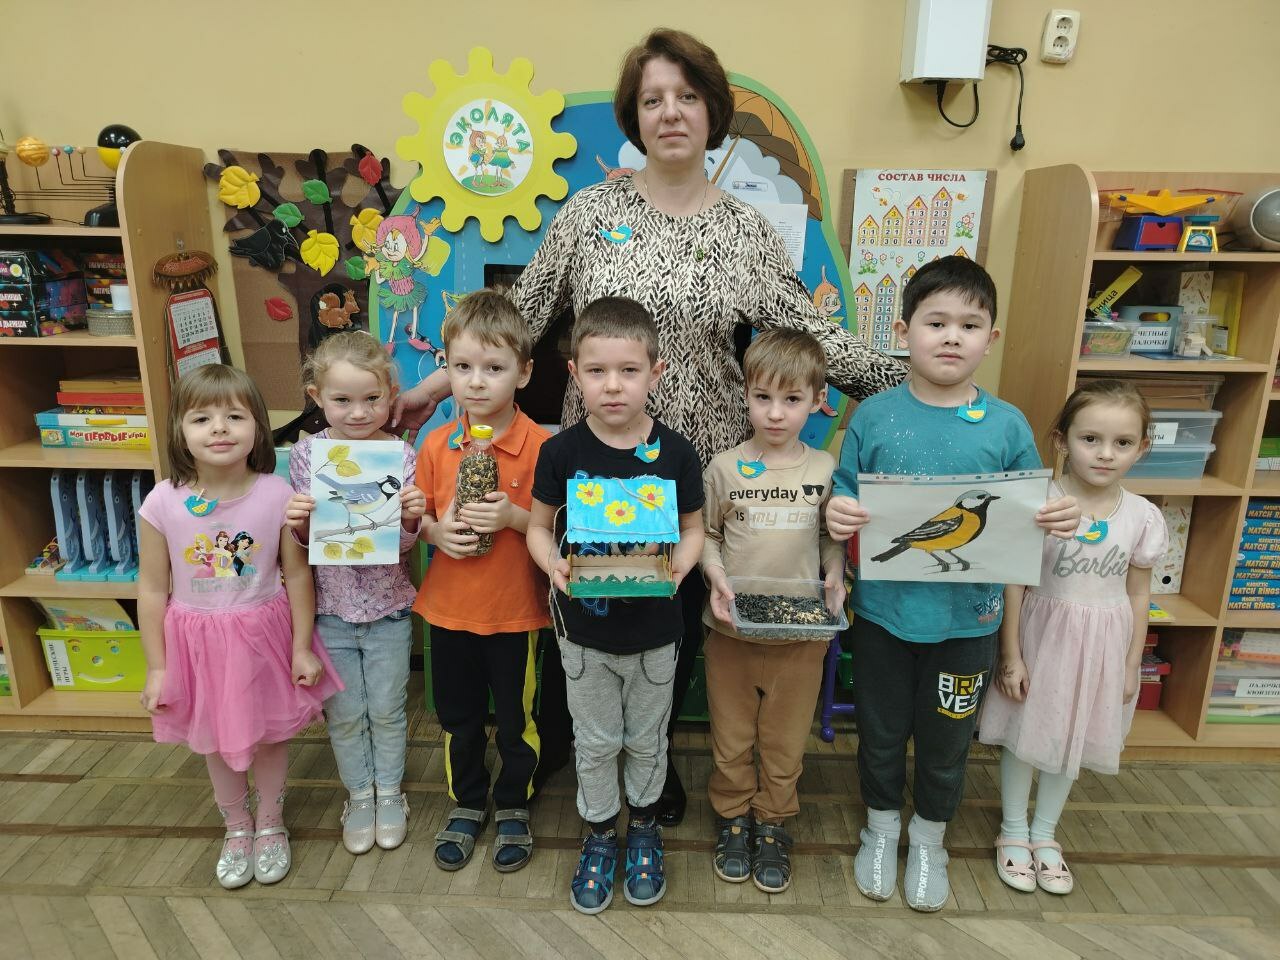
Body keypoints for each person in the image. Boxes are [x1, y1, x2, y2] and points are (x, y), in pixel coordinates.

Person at [394, 27, 907, 825]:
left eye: (687, 96)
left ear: (712, 111)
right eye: (653, 99)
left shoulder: (746, 230)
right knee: (581, 604)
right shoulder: (591, 212)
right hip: (594, 458)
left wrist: (915, 383)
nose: (670, 112)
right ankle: (566, 745)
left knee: (667, 621)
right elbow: (521, 315)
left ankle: (653, 761)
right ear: (634, 116)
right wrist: (434, 385)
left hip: (692, 465)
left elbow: (811, 336)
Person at [825, 256, 1080, 912]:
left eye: (969, 325)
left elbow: (1035, 505)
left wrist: (1058, 512)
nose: (951, 337)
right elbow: (844, 494)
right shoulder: (873, 416)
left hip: (969, 622)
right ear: (904, 331)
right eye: (936, 322)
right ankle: (881, 829)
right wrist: (839, 512)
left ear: (990, 338)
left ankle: (930, 838)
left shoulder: (1007, 424)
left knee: (946, 742)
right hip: (882, 616)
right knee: (880, 733)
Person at [526, 297, 704, 914]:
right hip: (584, 635)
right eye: (597, 370)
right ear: (574, 373)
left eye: (629, 370)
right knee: (596, 741)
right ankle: (601, 832)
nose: (612, 385)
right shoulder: (562, 452)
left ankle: (645, 828)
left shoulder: (677, 453)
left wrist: (680, 565)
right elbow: (538, 528)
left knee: (649, 739)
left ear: (656, 372)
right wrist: (553, 563)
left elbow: (693, 528)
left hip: (657, 633)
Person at [137, 364, 344, 889]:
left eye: (234, 415)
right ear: (180, 429)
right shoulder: (161, 502)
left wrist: (301, 647)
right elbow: (153, 588)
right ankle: (236, 827)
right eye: (201, 418)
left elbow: (298, 575)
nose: (219, 428)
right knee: (214, 739)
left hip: (263, 637)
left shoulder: (278, 494)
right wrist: (158, 668)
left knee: (270, 737)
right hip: (197, 644)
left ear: (257, 426)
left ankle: (270, 823)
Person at [979, 380, 1167, 896]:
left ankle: (1045, 833)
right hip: (1042, 636)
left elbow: (1138, 593)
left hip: (1103, 646)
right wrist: (1011, 655)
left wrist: (1131, 664)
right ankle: (1013, 829)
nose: (1105, 453)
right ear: (1061, 440)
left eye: (1122, 443)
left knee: (1073, 737)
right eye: (1091, 439)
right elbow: (1014, 581)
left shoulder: (1142, 516)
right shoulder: (1039, 502)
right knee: (1026, 733)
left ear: (1142, 448)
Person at [700, 328, 846, 894]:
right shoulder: (724, 467)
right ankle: (733, 816)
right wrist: (713, 573)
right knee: (731, 735)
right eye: (763, 397)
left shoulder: (825, 469)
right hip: (732, 628)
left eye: (792, 399)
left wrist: (835, 573)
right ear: (746, 395)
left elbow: (830, 538)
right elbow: (708, 533)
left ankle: (773, 819)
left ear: (817, 400)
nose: (776, 413)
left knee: (784, 740)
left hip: (801, 633)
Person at [414, 290, 551, 874]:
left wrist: (514, 518)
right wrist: (435, 533)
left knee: (518, 720)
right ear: (445, 369)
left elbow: (560, 526)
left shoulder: (544, 448)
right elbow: (417, 518)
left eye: (494, 368)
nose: (476, 382)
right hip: (448, 610)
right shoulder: (435, 445)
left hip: (515, 612)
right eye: (462, 367)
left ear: (524, 372)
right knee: (458, 718)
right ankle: (467, 801)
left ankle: (514, 801)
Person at [284, 332, 426, 856]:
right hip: (331, 612)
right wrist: (299, 523)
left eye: (371, 398)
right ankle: (360, 795)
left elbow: (404, 546)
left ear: (391, 395)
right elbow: (305, 545)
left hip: (389, 610)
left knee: (387, 709)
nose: (359, 412)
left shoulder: (402, 455)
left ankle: (389, 792)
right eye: (342, 400)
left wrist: (409, 518)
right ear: (316, 396)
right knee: (344, 715)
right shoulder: (307, 454)